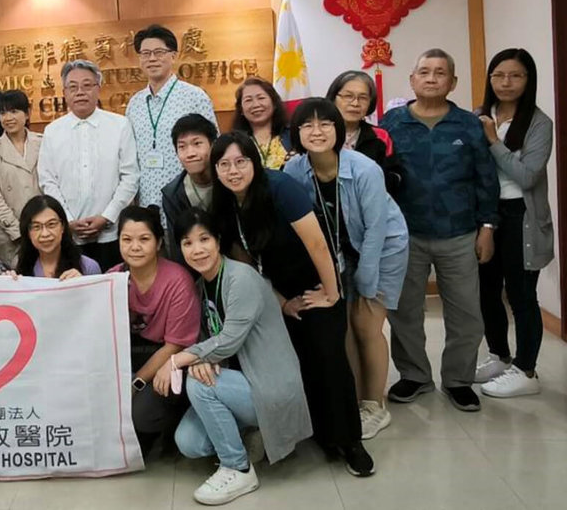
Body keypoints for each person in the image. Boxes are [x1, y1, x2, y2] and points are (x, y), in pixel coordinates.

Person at [211, 132, 374, 476]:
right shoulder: (224, 202)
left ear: (255, 162)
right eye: (224, 164)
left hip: (316, 279)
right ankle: (319, 434)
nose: (233, 171)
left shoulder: (279, 187)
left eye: (241, 161)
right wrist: (281, 302)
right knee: (298, 361)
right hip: (277, 289)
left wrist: (331, 293)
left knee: (329, 358)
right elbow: (241, 258)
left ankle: (350, 442)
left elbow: (318, 244)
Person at [163, 209, 312, 505]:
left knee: (199, 383)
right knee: (189, 442)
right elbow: (206, 340)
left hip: (267, 385)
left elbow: (228, 340)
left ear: (218, 241)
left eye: (204, 239)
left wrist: (177, 361)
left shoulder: (241, 277)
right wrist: (202, 359)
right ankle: (251, 434)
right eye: (187, 243)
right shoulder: (200, 286)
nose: (197, 249)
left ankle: (238, 468)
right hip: (235, 383)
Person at [283, 98, 410, 440]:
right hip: (339, 253)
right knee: (345, 329)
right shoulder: (293, 170)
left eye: (325, 123)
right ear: (296, 133)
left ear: (338, 129)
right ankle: (352, 402)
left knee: (366, 325)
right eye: (307, 125)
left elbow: (376, 231)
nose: (316, 131)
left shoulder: (365, 169)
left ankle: (375, 405)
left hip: (383, 249)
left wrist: (365, 283)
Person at [381, 48, 499, 412]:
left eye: (440, 72)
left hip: (460, 233)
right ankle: (415, 375)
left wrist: (487, 227)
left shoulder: (468, 125)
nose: (431, 78)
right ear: (412, 79)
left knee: (466, 313)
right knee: (405, 312)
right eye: (424, 71)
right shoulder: (391, 123)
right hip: (406, 234)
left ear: (453, 82)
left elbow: (486, 178)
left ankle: (458, 379)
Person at [473, 48, 554, 398]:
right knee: (486, 290)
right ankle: (500, 356)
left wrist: (493, 141)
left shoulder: (538, 123)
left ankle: (526, 369)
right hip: (485, 216)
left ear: (528, 80)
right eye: (499, 75)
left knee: (521, 295)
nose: (506, 82)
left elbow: (527, 176)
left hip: (521, 215)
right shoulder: (478, 116)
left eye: (516, 75)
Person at [107, 206, 200, 455]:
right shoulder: (113, 277)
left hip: (168, 358)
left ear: (158, 243)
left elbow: (175, 345)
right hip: (130, 354)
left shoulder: (178, 280)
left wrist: (136, 384)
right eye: (127, 239)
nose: (135, 247)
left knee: (142, 413)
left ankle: (173, 422)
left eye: (144, 239)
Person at [38, 60, 140, 271]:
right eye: (73, 87)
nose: (80, 92)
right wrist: (67, 220)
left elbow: (130, 177)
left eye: (87, 85)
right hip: (68, 236)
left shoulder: (120, 125)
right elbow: (47, 180)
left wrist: (106, 217)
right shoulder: (52, 131)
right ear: (65, 93)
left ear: (98, 88)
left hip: (111, 234)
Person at [126, 25, 217, 212]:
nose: (152, 59)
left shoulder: (195, 97)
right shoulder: (134, 104)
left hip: (187, 201)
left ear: (173, 56)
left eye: (159, 52)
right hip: (146, 203)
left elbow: (214, 147)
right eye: (145, 53)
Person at [0, 89, 43, 265]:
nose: (8, 118)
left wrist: (40, 227)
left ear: (27, 113)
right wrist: (19, 231)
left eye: (14, 111)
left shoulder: (43, 143)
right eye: (3, 113)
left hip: (43, 230)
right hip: (9, 236)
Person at [325, 70, 403, 193]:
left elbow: (395, 177)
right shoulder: (319, 134)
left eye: (363, 98)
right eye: (348, 96)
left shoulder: (380, 136)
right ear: (333, 98)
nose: (355, 103)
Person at [162, 113, 218, 262]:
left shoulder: (229, 181)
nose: (190, 153)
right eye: (182, 147)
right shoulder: (172, 195)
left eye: (197, 143)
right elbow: (178, 248)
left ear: (213, 145)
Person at [15, 195, 101, 279]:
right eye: (36, 227)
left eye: (51, 224)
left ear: (63, 226)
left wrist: (82, 283)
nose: (45, 234)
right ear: (28, 232)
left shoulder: (88, 267)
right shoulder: (21, 268)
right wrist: (9, 281)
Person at [230, 78, 292, 170]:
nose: (256, 105)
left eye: (261, 98)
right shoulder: (233, 142)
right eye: (248, 100)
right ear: (241, 109)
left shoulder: (293, 136)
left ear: (274, 103)